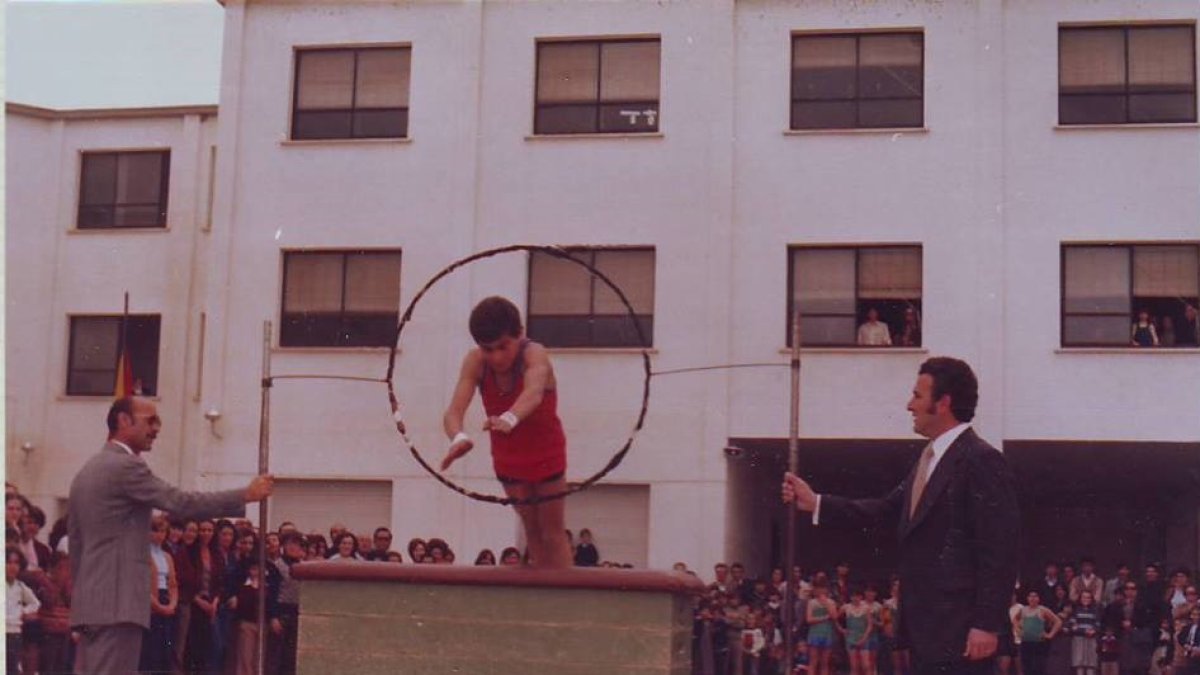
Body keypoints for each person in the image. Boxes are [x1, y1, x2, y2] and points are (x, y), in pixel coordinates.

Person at [782, 357, 1020, 674]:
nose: (910, 405)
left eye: (917, 396)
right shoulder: (929, 460)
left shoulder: (981, 459)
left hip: (961, 634)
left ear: (944, 402)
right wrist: (817, 503)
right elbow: (884, 511)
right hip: (926, 631)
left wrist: (986, 625)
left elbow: (1000, 549)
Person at [68, 396, 273, 675]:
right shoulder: (126, 467)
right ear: (123, 421)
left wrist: (81, 607)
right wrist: (245, 495)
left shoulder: (86, 472)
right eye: (150, 420)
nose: (157, 428)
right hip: (119, 604)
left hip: (94, 606)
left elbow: (78, 546)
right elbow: (181, 502)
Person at [440, 296, 572, 568]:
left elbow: (534, 393)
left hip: (546, 452)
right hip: (508, 457)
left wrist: (510, 418)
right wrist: (458, 437)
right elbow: (454, 411)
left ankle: (566, 600)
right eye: (488, 349)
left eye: (503, 346)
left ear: (519, 335)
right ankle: (544, 598)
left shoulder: (534, 354)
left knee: (552, 532)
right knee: (532, 530)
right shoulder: (475, 361)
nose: (497, 357)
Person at [1016, 589, 1063, 675]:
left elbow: (1058, 622)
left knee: (1039, 668)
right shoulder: (1023, 610)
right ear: (1027, 598)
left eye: (1035, 596)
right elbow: (1015, 621)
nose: (1033, 598)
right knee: (1026, 668)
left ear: (1039, 598)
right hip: (1026, 643)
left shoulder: (1043, 610)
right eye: (1030, 596)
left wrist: (1050, 635)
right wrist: (1018, 631)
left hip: (1039, 643)